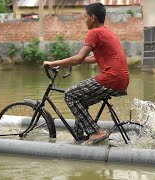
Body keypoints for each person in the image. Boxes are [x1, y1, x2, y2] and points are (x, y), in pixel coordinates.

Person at [43, 3, 129, 144]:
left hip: (111, 78)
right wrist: (77, 61)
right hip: (121, 78)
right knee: (80, 100)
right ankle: (79, 137)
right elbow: (96, 58)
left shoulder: (94, 32)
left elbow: (78, 58)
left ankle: (96, 132)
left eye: (85, 17)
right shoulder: (107, 32)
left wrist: (53, 63)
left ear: (93, 17)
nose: (84, 20)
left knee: (70, 95)